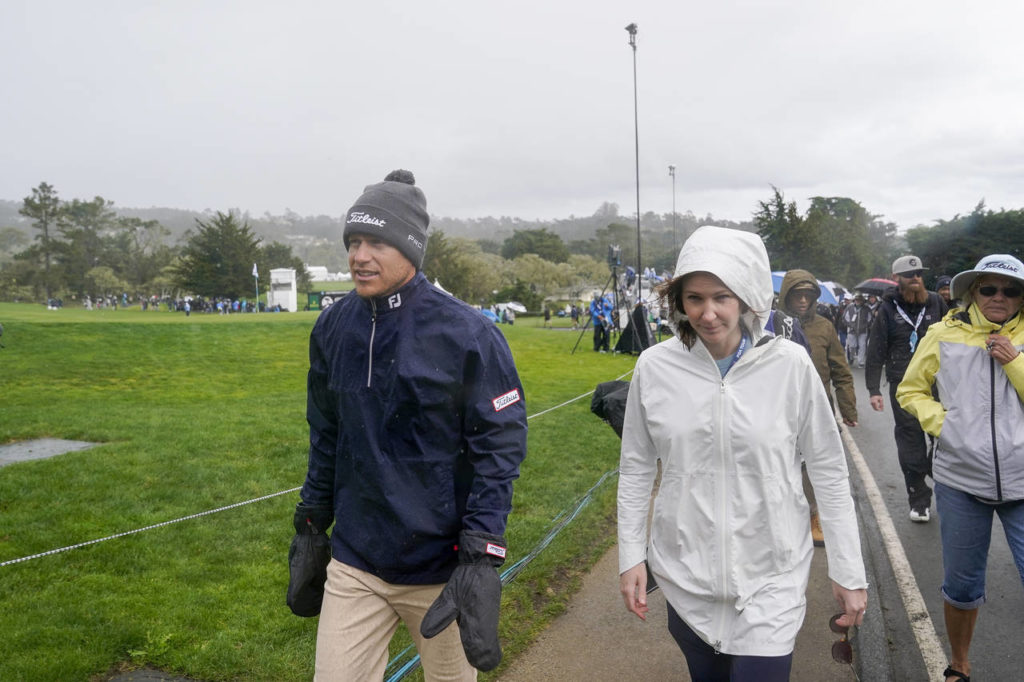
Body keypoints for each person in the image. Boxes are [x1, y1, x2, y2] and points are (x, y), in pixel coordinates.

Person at [296, 170, 528, 680]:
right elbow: (326, 431)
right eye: (353, 242)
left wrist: (482, 551)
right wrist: (311, 518)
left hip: (442, 569)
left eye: (376, 242)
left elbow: (500, 445)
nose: (359, 256)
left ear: (411, 249)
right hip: (356, 562)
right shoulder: (332, 326)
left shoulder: (468, 333)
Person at [617, 226, 867, 682]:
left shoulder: (790, 366)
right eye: (694, 298)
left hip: (772, 578)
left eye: (722, 297)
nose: (708, 313)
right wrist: (631, 555)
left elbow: (829, 471)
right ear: (679, 302)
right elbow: (635, 467)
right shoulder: (654, 367)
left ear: (747, 298)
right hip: (686, 576)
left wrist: (848, 571)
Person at [896, 254, 1024, 682]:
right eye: (989, 288)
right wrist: (945, 425)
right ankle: (959, 664)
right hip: (960, 480)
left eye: (1011, 290)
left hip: (1023, 480)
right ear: (972, 292)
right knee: (963, 585)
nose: (999, 297)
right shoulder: (942, 333)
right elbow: (910, 390)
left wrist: (1014, 361)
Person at [865, 255, 948, 522]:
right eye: (909, 275)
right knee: (910, 441)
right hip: (903, 386)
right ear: (896, 278)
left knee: (945, 438)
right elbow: (876, 349)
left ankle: (940, 480)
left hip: (939, 384)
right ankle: (919, 499)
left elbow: (955, 336)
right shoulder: (887, 309)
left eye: (919, 274)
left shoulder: (936, 302)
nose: (916, 278)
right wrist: (873, 389)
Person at [843, 294, 873, 368]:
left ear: (862, 301)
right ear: (854, 300)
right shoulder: (849, 307)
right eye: (856, 300)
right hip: (852, 330)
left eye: (859, 300)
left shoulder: (866, 308)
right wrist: (850, 325)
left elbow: (870, 319)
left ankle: (861, 362)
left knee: (862, 346)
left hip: (863, 331)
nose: (858, 301)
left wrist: (865, 326)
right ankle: (851, 357)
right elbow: (845, 318)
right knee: (852, 346)